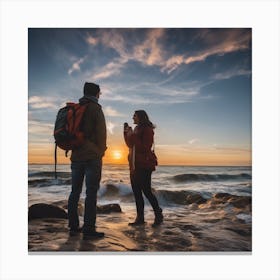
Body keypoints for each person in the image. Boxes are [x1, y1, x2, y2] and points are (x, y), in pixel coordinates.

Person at [68, 82, 107, 239]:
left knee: (75, 192)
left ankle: (73, 226)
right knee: (91, 193)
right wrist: (100, 152)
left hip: (76, 156)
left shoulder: (76, 108)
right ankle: (89, 228)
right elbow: (101, 133)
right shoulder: (96, 109)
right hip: (92, 157)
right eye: (100, 93)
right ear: (97, 93)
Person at [123, 110, 163, 227]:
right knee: (136, 192)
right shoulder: (137, 129)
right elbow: (131, 144)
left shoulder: (147, 130)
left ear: (140, 117)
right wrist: (126, 133)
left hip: (144, 165)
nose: (132, 118)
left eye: (134, 116)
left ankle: (158, 214)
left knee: (146, 191)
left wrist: (133, 135)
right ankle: (140, 218)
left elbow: (144, 148)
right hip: (134, 165)